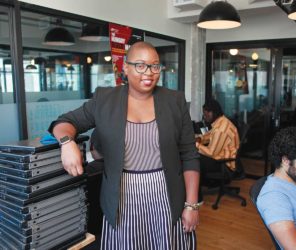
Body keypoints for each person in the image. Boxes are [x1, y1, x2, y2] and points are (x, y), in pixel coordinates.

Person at [48, 41, 200, 249]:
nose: (149, 72)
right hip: (122, 197)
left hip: (165, 193)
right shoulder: (105, 99)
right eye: (140, 65)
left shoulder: (174, 100)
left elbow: (190, 155)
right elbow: (64, 123)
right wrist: (67, 143)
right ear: (125, 68)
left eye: (155, 66)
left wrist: (191, 205)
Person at [195, 99, 240, 177]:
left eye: (206, 115)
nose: (205, 118)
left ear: (213, 113)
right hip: (219, 159)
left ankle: (195, 187)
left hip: (224, 165)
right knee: (194, 156)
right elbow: (207, 137)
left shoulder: (221, 129)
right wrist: (198, 138)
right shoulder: (221, 122)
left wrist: (195, 144)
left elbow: (211, 153)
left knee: (194, 160)